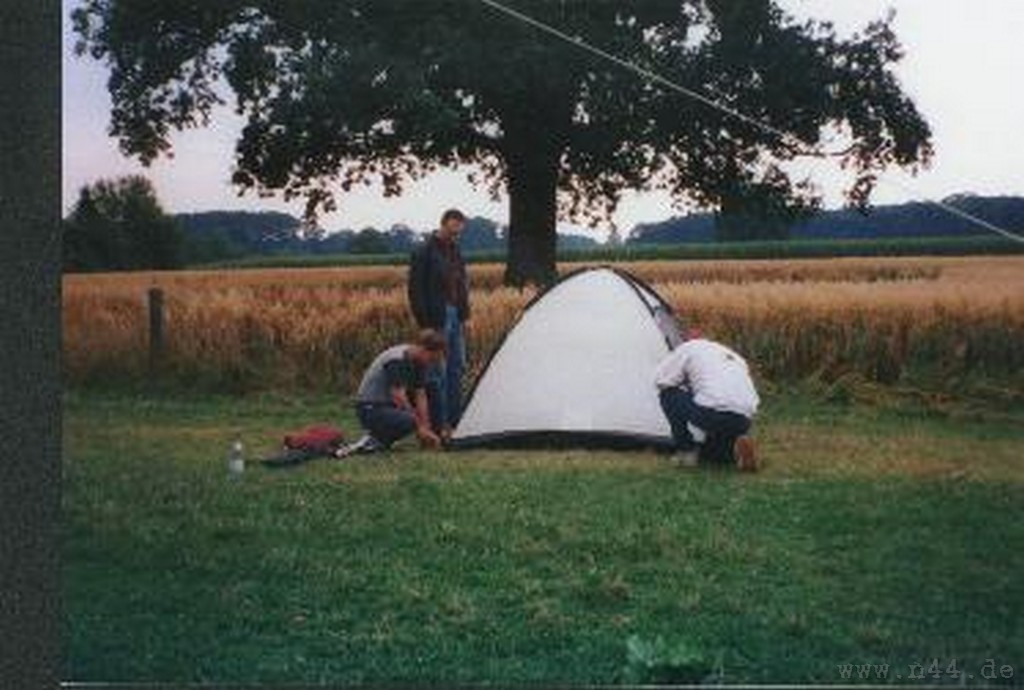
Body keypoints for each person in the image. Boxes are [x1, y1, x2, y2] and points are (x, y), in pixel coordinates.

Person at [653, 329, 760, 471]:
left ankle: (686, 451)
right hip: (744, 419)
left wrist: (685, 385)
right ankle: (735, 449)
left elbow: (661, 381)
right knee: (713, 456)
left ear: (687, 339)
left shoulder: (689, 347)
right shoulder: (733, 356)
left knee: (668, 395)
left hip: (712, 414)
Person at [408, 208, 470, 439]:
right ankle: (439, 424)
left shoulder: (456, 251)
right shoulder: (423, 251)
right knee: (438, 371)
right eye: (452, 232)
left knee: (457, 367)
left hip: (455, 315)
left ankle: (455, 422)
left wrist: (465, 316)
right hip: (436, 317)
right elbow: (415, 290)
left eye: (459, 233)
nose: (455, 236)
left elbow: (462, 285)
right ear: (442, 225)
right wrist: (424, 323)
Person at [335, 330, 447, 458]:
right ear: (423, 349)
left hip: (390, 406)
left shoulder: (419, 361)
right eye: (432, 359)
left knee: (433, 388)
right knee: (409, 421)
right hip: (371, 408)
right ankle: (374, 439)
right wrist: (418, 426)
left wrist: (426, 425)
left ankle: (435, 436)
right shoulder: (397, 359)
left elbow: (421, 395)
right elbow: (398, 396)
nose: (431, 363)